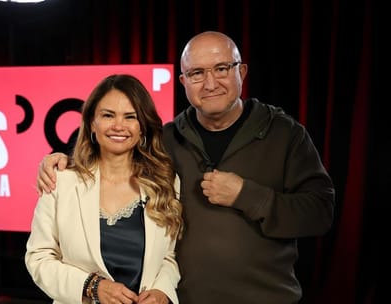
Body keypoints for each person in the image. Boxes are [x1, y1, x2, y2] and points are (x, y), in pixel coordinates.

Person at [36, 31, 335, 304]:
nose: (210, 83)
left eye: (221, 69)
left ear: (241, 71)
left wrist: (247, 195)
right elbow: (113, 153)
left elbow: (320, 213)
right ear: (183, 81)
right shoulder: (167, 139)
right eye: (196, 73)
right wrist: (62, 159)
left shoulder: (285, 134)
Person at [25, 74, 184, 304]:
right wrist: (92, 286)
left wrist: (162, 293)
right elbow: (38, 258)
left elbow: (168, 257)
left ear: (143, 127)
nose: (118, 126)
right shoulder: (61, 181)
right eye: (108, 115)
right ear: (92, 122)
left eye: (130, 117)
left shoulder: (165, 182)